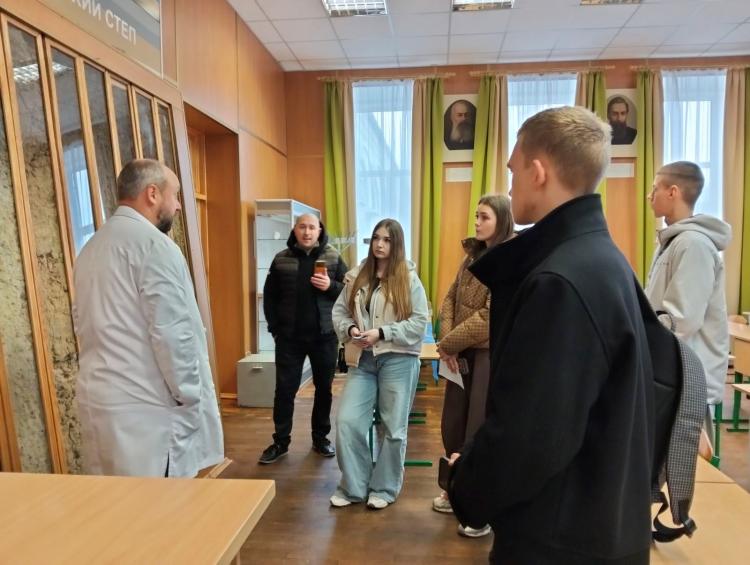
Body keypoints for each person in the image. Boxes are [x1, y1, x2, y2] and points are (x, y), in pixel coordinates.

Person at [447, 107, 654, 564]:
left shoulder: (559, 281)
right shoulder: (602, 258)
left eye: (513, 170)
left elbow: (531, 437)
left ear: (538, 172)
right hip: (600, 522)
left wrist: (467, 486)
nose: (510, 185)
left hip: (561, 539)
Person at [73, 159, 223, 477]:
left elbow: (81, 322)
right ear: (152, 194)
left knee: (113, 500)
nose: (178, 205)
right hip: (149, 410)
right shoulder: (154, 246)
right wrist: (190, 396)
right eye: (175, 195)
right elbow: (172, 332)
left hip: (99, 399)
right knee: (160, 502)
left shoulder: (91, 248)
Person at [329, 219, 429, 510]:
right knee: (347, 421)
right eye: (376, 238)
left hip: (399, 360)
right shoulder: (357, 275)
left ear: (396, 244)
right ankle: (354, 487)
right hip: (363, 361)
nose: (380, 244)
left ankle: (384, 489)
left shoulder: (408, 279)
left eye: (387, 239)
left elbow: (419, 324)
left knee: (393, 429)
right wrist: (350, 330)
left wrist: (383, 332)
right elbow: (339, 313)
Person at [432, 194, 514, 540]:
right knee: (453, 422)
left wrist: (449, 343)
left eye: (484, 217)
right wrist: (448, 341)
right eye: (476, 216)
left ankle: (480, 508)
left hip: (487, 356)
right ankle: (454, 489)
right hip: (459, 354)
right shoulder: (471, 256)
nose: (477, 222)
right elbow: (450, 298)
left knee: (477, 428)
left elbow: (490, 316)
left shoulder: (509, 258)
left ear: (502, 220)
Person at [645, 161, 731, 436]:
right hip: (671, 371)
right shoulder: (674, 241)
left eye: (655, 189)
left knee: (684, 458)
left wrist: (639, 332)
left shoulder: (693, 244)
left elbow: (682, 319)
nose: (649, 195)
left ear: (673, 192)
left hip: (686, 376)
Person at [259, 213, 348, 464]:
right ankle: (280, 441)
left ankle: (321, 438)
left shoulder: (333, 257)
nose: (307, 232)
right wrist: (275, 329)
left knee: (324, 389)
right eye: (302, 227)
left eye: (312, 227)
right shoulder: (281, 259)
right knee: (284, 391)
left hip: (325, 337)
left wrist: (330, 286)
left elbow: (349, 293)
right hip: (289, 339)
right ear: (294, 229)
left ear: (320, 230)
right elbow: (270, 297)